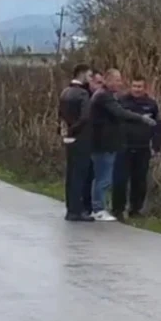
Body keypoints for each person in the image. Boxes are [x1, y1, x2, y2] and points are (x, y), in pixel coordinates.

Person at [89, 69, 156, 222]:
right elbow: (120, 113)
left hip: (116, 144)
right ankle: (98, 208)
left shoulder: (108, 96)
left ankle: (100, 206)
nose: (120, 84)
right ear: (108, 80)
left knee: (105, 177)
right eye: (117, 80)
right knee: (104, 178)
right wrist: (141, 118)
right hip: (103, 144)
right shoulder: (104, 96)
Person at [112, 75, 161, 219]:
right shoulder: (122, 102)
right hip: (123, 146)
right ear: (131, 86)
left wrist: (156, 146)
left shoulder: (151, 104)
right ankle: (118, 209)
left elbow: (158, 126)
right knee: (120, 179)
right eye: (134, 86)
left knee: (139, 180)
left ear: (145, 87)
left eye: (140, 87)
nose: (137, 89)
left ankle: (135, 209)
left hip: (142, 147)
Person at [58, 63, 95, 222]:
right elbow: (85, 116)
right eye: (89, 75)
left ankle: (70, 208)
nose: (90, 78)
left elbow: (59, 115)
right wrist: (75, 129)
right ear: (82, 74)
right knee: (80, 174)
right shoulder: (82, 94)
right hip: (81, 138)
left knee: (71, 173)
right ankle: (77, 210)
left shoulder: (65, 92)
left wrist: (64, 131)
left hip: (68, 137)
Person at [82, 69, 104, 216]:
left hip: (97, 142)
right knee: (86, 174)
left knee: (93, 175)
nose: (100, 86)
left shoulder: (101, 97)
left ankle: (88, 206)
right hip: (85, 141)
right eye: (98, 82)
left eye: (102, 83)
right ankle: (85, 206)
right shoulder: (85, 97)